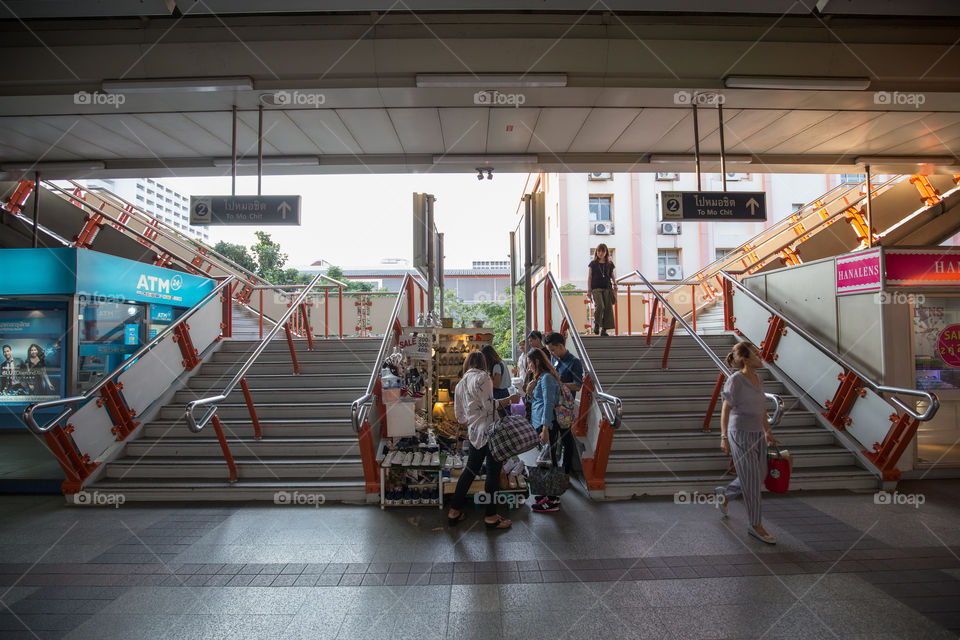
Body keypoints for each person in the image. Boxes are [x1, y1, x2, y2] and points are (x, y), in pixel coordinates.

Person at [447, 351, 519, 530]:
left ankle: (454, 511)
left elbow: (460, 417)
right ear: (483, 363)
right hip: (490, 432)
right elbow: (489, 407)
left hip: (473, 433)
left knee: (469, 471)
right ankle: (491, 516)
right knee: (493, 474)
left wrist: (472, 420)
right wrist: (510, 400)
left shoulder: (460, 383)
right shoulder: (484, 377)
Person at [716, 341, 779, 545]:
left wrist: (767, 432)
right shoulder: (735, 380)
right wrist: (724, 436)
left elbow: (761, 409)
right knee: (752, 479)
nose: (760, 357)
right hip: (739, 434)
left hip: (756, 434)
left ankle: (725, 494)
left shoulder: (759, 380)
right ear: (745, 358)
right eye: (756, 354)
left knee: (759, 474)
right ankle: (755, 525)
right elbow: (725, 409)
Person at [526, 348, 566, 513]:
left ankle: (552, 500)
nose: (528, 367)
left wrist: (545, 428)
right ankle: (547, 493)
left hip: (547, 425)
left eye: (529, 363)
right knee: (544, 460)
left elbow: (549, 404)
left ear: (536, 362)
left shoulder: (547, 378)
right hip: (541, 424)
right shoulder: (541, 378)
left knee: (550, 462)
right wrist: (529, 391)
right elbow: (537, 401)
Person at [543, 332, 582, 486]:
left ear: (560, 346)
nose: (551, 353)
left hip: (565, 407)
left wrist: (559, 384)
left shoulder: (574, 362)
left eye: (552, 350)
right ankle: (553, 469)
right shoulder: (554, 359)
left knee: (566, 440)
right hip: (553, 404)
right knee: (552, 439)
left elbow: (577, 385)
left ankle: (566, 472)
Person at [586, 244, 617, 336]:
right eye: (599, 251)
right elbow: (590, 277)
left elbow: (612, 275)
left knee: (608, 308)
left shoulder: (610, 264)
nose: (600, 253)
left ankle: (604, 330)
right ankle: (597, 324)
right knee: (600, 306)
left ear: (606, 252)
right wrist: (589, 290)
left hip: (607, 288)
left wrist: (615, 284)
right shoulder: (593, 263)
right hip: (596, 288)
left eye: (603, 251)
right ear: (596, 252)